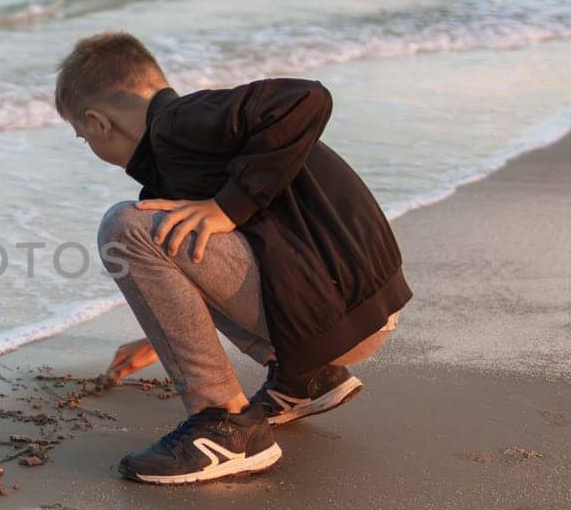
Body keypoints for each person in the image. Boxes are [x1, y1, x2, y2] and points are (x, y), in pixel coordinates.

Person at [57, 31, 410, 484]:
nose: (90, 145)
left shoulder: (181, 122)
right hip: (361, 309)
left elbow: (306, 97)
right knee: (170, 224)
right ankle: (306, 381)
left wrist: (229, 206)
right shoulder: (184, 151)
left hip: (340, 310)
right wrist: (159, 337)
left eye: (82, 137)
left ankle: (223, 423)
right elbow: (208, 264)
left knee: (124, 227)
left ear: (98, 122)